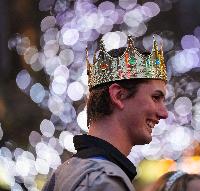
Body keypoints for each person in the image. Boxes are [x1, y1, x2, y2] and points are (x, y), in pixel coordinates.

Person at [42, 35, 168, 191]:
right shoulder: (103, 180)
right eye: (155, 97)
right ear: (118, 96)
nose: (164, 113)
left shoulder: (63, 173)